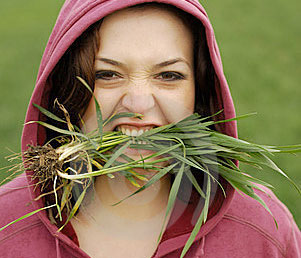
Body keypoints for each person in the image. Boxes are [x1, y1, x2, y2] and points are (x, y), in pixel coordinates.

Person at [0, 0, 300, 257]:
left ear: (201, 91)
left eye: (168, 75)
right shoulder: (6, 225)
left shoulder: (262, 229)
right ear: (65, 88)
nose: (139, 104)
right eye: (107, 74)